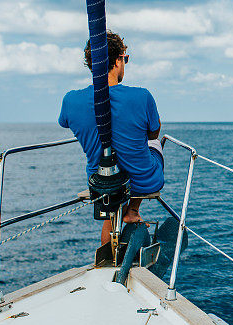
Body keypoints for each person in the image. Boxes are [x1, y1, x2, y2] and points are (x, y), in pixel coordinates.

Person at [58, 31, 164, 244]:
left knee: (112, 192)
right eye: (125, 59)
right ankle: (133, 209)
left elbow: (65, 122)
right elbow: (154, 132)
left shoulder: (70, 100)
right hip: (143, 180)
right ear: (117, 60)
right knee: (155, 145)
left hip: (99, 181)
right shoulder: (142, 96)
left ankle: (107, 249)